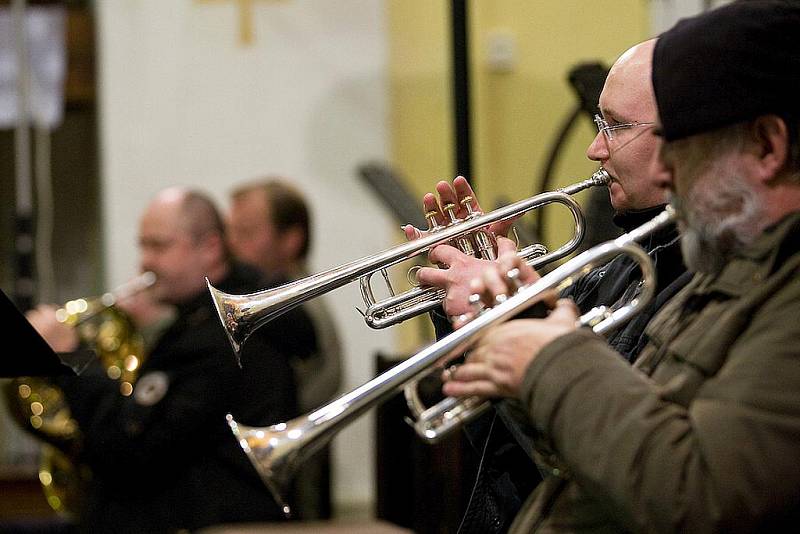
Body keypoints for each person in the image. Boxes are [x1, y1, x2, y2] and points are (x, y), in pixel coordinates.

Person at [442, 1, 800, 531]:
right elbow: (587, 458)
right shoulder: (730, 271)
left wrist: (552, 355)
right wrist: (517, 340)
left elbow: (695, 496)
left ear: (767, 147)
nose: (666, 171)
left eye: (680, 146)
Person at [406, 38, 689, 532]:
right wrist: (470, 316)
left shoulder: (695, 281)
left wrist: (514, 317)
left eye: (616, 126)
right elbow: (503, 449)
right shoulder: (621, 265)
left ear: (685, 138)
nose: (594, 148)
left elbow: (604, 471)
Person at [27, 187, 311, 533]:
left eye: (158, 245)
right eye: (143, 245)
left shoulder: (224, 336)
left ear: (209, 248)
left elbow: (132, 449)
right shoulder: (200, 324)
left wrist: (72, 358)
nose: (144, 261)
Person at [227, 178, 342, 520]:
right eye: (231, 231)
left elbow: (326, 380)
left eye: (246, 232)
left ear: (291, 239)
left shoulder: (301, 302)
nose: (232, 244)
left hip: (292, 471)